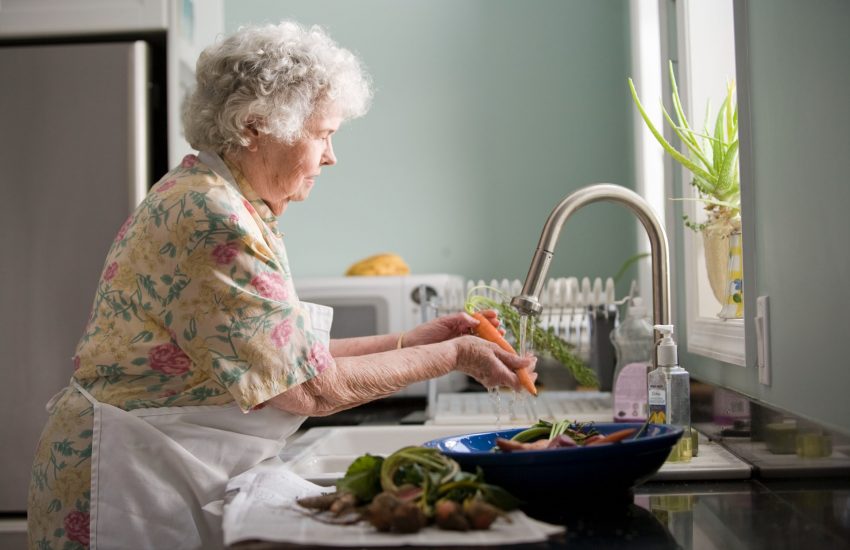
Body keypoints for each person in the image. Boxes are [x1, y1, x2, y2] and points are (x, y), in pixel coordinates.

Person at [27, 21, 536, 549]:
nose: (331, 155)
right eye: (322, 134)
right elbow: (309, 388)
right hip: (128, 483)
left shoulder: (221, 201)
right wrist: (456, 355)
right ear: (255, 126)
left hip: (160, 464)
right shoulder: (211, 217)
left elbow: (290, 359)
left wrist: (417, 340)